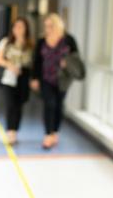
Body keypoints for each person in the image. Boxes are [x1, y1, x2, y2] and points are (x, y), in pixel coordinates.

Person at [30, 13, 81, 149]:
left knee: (59, 106)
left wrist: (67, 64)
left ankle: (55, 132)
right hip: (46, 78)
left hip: (63, 79)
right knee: (49, 104)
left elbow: (76, 59)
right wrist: (34, 78)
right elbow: (37, 61)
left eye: (51, 26)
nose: (48, 28)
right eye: (46, 26)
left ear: (58, 25)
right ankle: (48, 135)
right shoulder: (42, 41)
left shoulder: (69, 40)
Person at [0, 17, 33, 145]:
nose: (18, 29)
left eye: (21, 26)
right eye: (16, 26)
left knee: (19, 105)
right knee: (10, 105)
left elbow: (34, 62)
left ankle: (15, 130)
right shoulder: (6, 42)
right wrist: (10, 65)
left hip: (24, 77)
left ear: (26, 29)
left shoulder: (30, 44)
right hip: (9, 76)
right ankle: (10, 133)